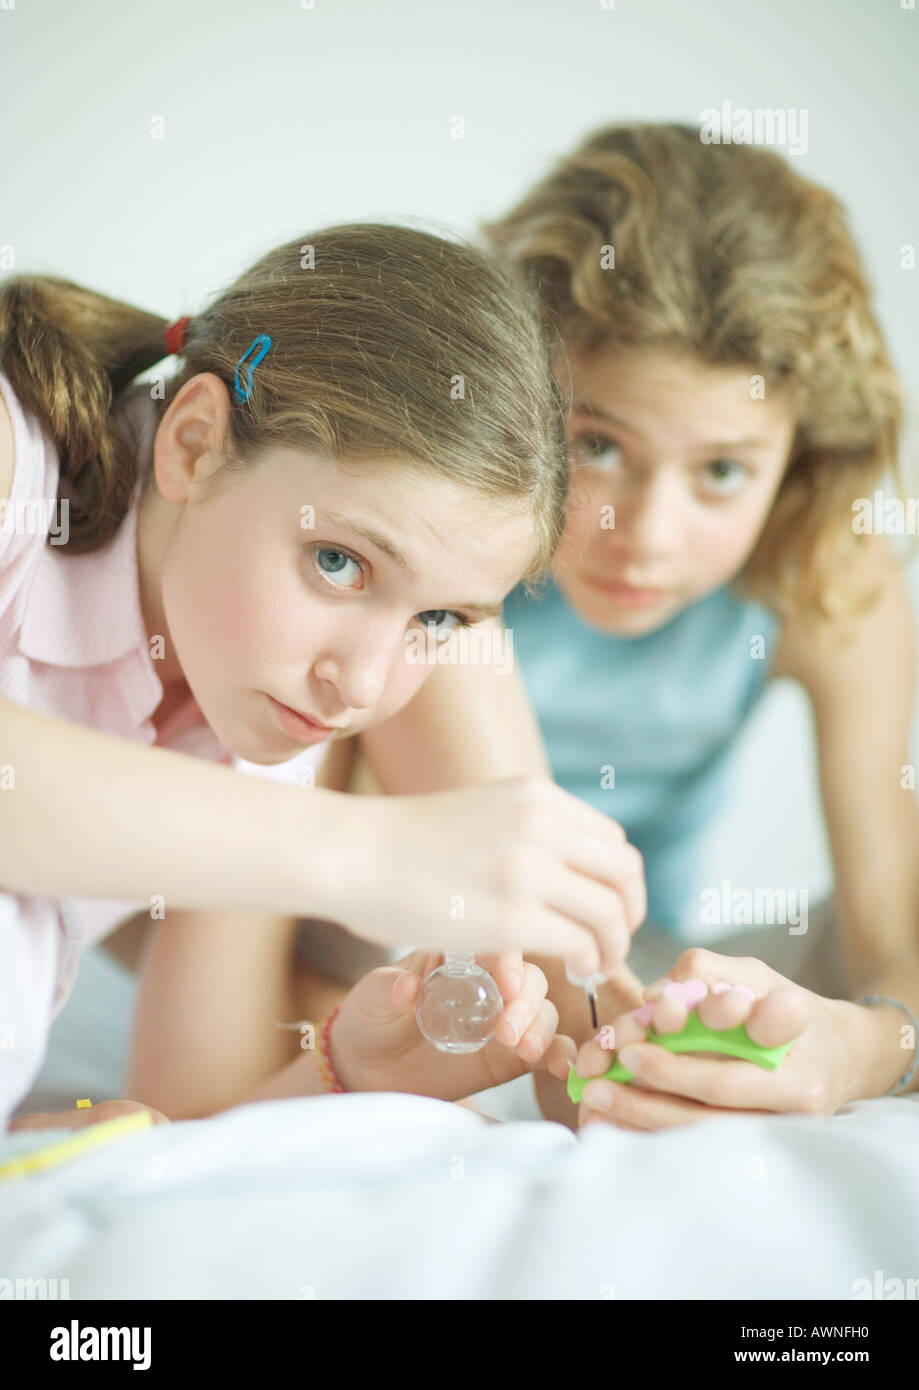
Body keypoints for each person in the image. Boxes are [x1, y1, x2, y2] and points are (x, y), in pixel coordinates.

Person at [0, 223, 648, 1131]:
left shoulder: (250, 696)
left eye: (438, 620)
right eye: (336, 563)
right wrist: (380, 852)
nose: (362, 687)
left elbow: (187, 1126)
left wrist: (347, 1070)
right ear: (192, 444)